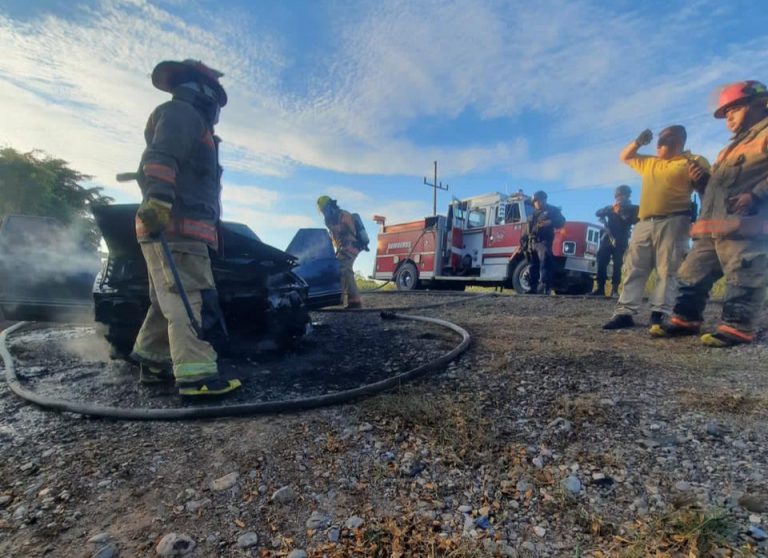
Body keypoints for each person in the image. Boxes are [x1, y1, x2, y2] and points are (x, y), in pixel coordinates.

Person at [130, 59, 240, 397]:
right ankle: (197, 377)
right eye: (217, 101)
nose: (217, 111)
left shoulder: (188, 120)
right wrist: (159, 202)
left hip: (174, 230)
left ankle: (154, 360)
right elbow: (161, 159)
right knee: (189, 299)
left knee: (166, 300)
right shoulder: (183, 116)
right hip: (177, 230)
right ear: (204, 92)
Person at [658, 80, 768, 347]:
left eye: (734, 109)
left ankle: (737, 327)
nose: (727, 117)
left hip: (745, 226)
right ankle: (685, 320)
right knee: (691, 272)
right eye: (725, 113)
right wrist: (703, 182)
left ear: (758, 104)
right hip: (713, 227)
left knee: (743, 274)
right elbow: (720, 189)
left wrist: (756, 194)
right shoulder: (731, 147)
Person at [603, 125, 709, 334]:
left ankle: (659, 314)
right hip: (644, 222)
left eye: (665, 137)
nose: (659, 141)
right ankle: (625, 312)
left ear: (679, 140)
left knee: (667, 269)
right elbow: (625, 156)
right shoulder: (650, 162)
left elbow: (708, 188)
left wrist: (702, 182)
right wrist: (638, 142)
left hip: (674, 221)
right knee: (633, 266)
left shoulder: (693, 161)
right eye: (659, 138)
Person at [590, 185, 639, 297]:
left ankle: (615, 290)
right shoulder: (611, 207)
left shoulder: (634, 208)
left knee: (618, 264)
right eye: (616, 196)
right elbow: (598, 212)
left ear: (626, 196)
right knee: (601, 261)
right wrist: (610, 209)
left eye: (619, 195)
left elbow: (633, 221)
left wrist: (620, 213)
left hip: (621, 239)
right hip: (607, 239)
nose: (617, 198)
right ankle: (600, 288)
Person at [317, 196, 363, 308]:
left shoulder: (343, 215)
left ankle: (355, 301)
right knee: (339, 270)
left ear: (328, 207)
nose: (323, 212)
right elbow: (335, 237)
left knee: (345, 269)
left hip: (351, 246)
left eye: (323, 209)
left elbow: (350, 231)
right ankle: (341, 298)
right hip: (343, 248)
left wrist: (336, 228)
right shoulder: (331, 218)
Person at [526, 191, 566, 295]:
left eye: (539, 200)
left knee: (545, 264)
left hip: (544, 241)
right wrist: (523, 242)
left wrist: (551, 222)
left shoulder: (552, 210)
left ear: (544, 200)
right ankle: (532, 288)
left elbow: (562, 221)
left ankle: (545, 288)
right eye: (535, 201)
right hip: (532, 242)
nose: (537, 203)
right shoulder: (532, 213)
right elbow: (527, 229)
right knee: (532, 266)